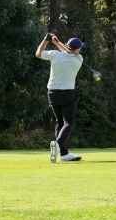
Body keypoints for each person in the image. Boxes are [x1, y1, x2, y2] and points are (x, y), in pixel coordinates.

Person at [36, 33, 87, 162]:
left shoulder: (54, 54)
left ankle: (63, 154)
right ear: (77, 49)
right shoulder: (79, 59)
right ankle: (58, 145)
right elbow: (69, 52)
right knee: (68, 122)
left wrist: (47, 40)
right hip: (67, 94)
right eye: (79, 47)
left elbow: (38, 53)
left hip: (52, 93)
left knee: (60, 122)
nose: (80, 50)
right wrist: (57, 42)